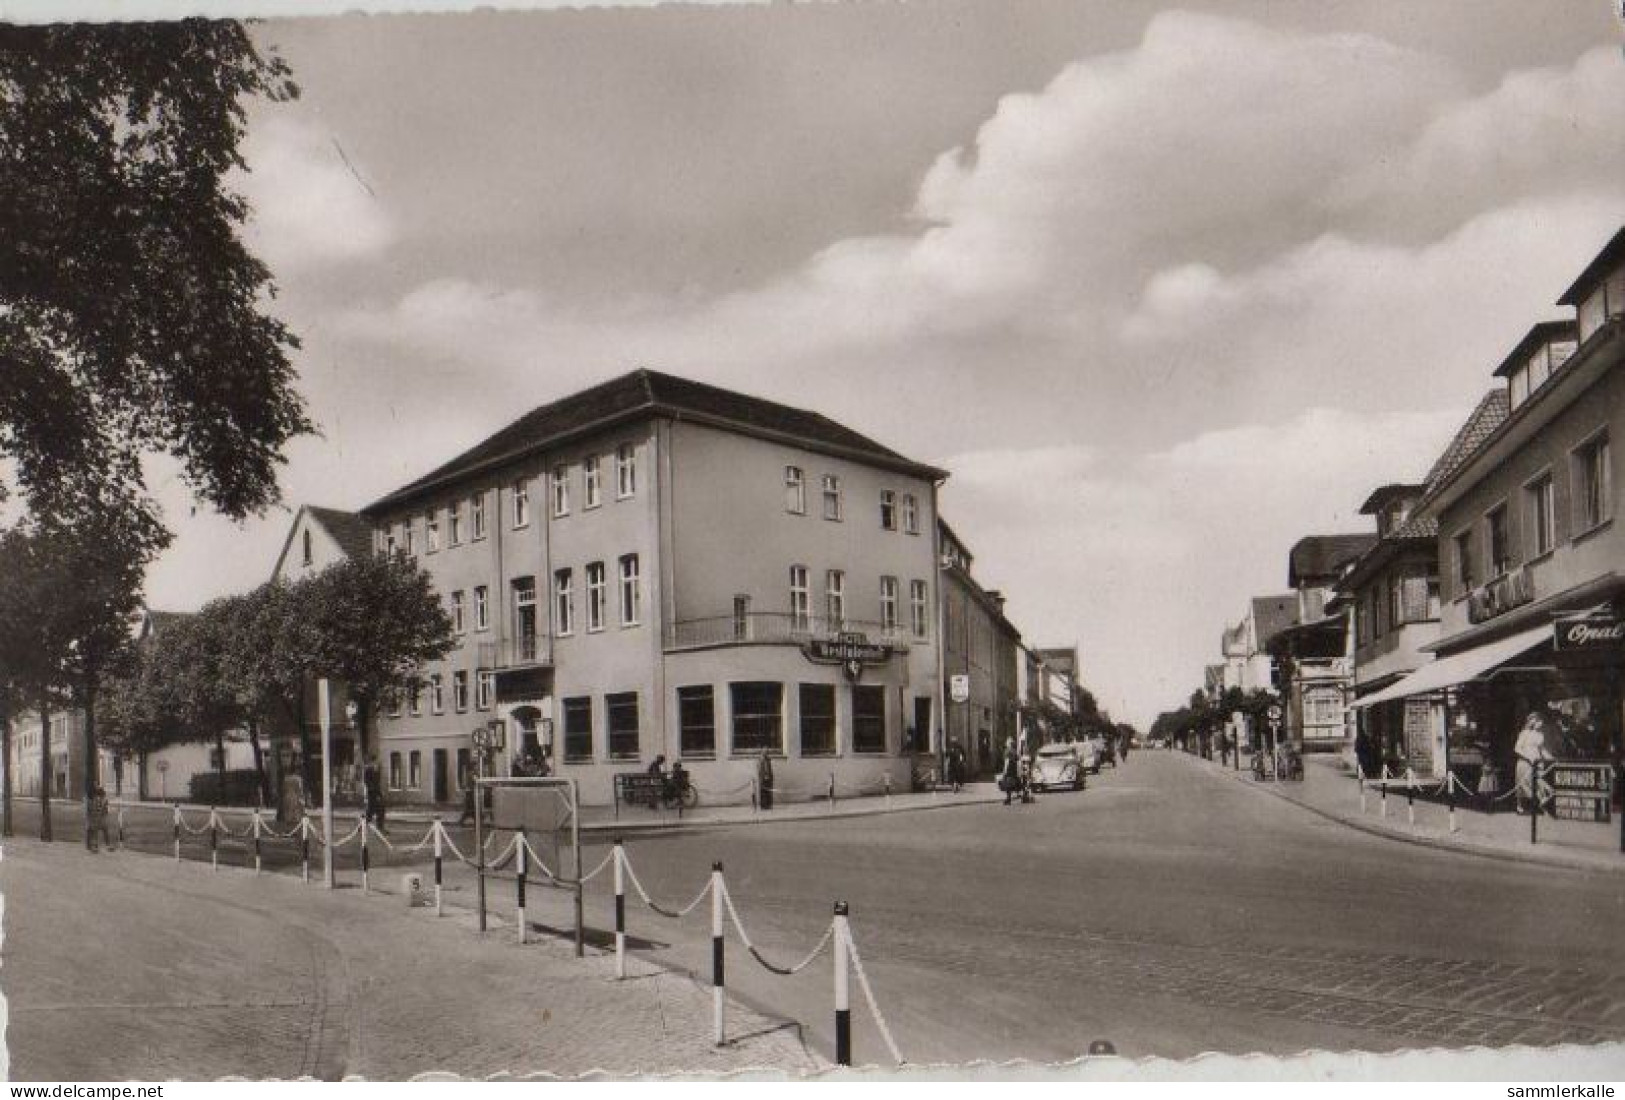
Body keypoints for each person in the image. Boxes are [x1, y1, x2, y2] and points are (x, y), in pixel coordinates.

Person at [1514, 710, 1553, 815]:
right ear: (1533, 722)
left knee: (1540, 783)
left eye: (1541, 722)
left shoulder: (1540, 735)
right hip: (1525, 762)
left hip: (1537, 762)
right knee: (1524, 785)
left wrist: (1551, 758)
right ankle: (1520, 806)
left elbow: (1542, 749)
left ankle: (1542, 806)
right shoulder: (1524, 733)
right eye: (1538, 721)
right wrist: (1528, 758)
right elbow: (1517, 748)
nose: (1540, 724)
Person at [87, 785, 114, 852]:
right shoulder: (95, 800)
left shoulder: (100, 800)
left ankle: (100, 846)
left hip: (99, 818)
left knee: (101, 831)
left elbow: (105, 809)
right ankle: (95, 846)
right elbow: (93, 809)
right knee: (96, 832)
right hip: (97, 818)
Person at [363, 761, 387, 833]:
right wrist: (374, 791)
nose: (377, 765)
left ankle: (379, 827)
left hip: (376, 793)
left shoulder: (377, 771)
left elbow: (377, 783)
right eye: (375, 763)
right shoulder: (368, 770)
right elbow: (367, 782)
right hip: (372, 793)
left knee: (379, 809)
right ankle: (364, 825)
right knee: (372, 810)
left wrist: (380, 793)